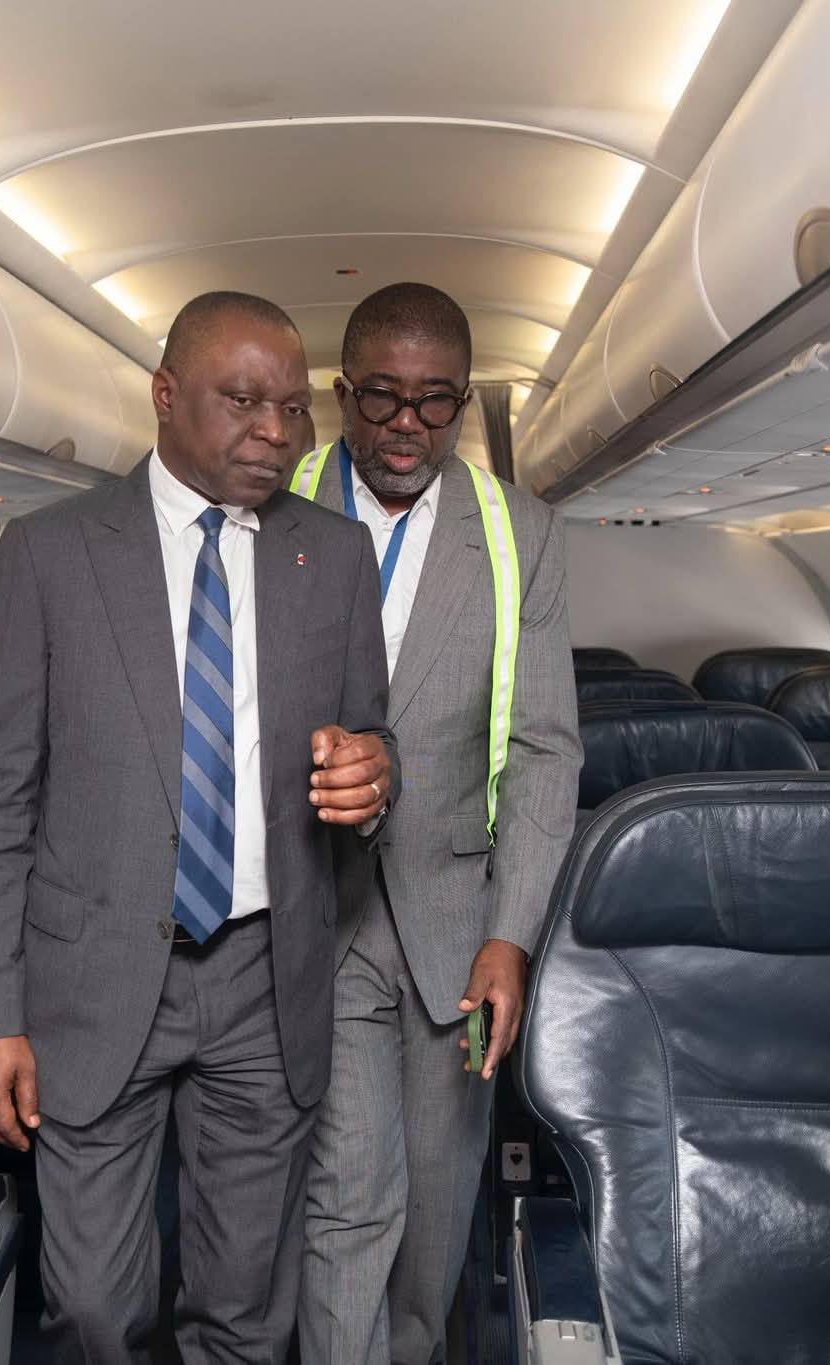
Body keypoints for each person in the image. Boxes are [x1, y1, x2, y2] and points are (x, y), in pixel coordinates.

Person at [0, 291, 398, 1363]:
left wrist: (373, 778)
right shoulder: (52, 555)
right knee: (97, 1311)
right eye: (243, 402)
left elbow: (368, 741)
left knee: (243, 1315)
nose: (274, 433)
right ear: (164, 395)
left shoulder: (328, 556)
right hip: (92, 977)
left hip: (262, 975)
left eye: (293, 409)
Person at [294, 283, 581, 1365]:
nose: (405, 426)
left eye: (433, 403)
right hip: (308, 919)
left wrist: (508, 936)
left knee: (430, 1232)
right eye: (380, 399)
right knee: (346, 1209)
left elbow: (546, 748)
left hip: (454, 932)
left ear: (463, 401)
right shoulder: (272, 505)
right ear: (339, 394)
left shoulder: (522, 535)